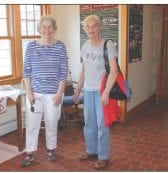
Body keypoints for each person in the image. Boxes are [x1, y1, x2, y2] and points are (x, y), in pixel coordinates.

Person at [73, 14, 119, 169]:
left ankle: (103, 156)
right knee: (89, 124)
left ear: (99, 28)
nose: (91, 29)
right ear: (85, 29)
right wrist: (78, 89)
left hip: (101, 92)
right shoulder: (85, 46)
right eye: (88, 27)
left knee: (102, 125)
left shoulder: (108, 45)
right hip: (88, 90)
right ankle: (91, 150)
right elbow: (84, 69)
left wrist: (106, 92)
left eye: (94, 26)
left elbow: (114, 71)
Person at [22, 15, 68, 166]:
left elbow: (63, 71)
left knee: (51, 121)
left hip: (53, 93)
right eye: (44, 27)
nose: (47, 30)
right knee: (32, 123)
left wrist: (60, 93)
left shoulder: (60, 46)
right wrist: (29, 92)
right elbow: (26, 71)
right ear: (39, 29)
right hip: (34, 93)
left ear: (54, 29)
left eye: (50, 27)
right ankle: (29, 151)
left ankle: (51, 149)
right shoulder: (31, 46)